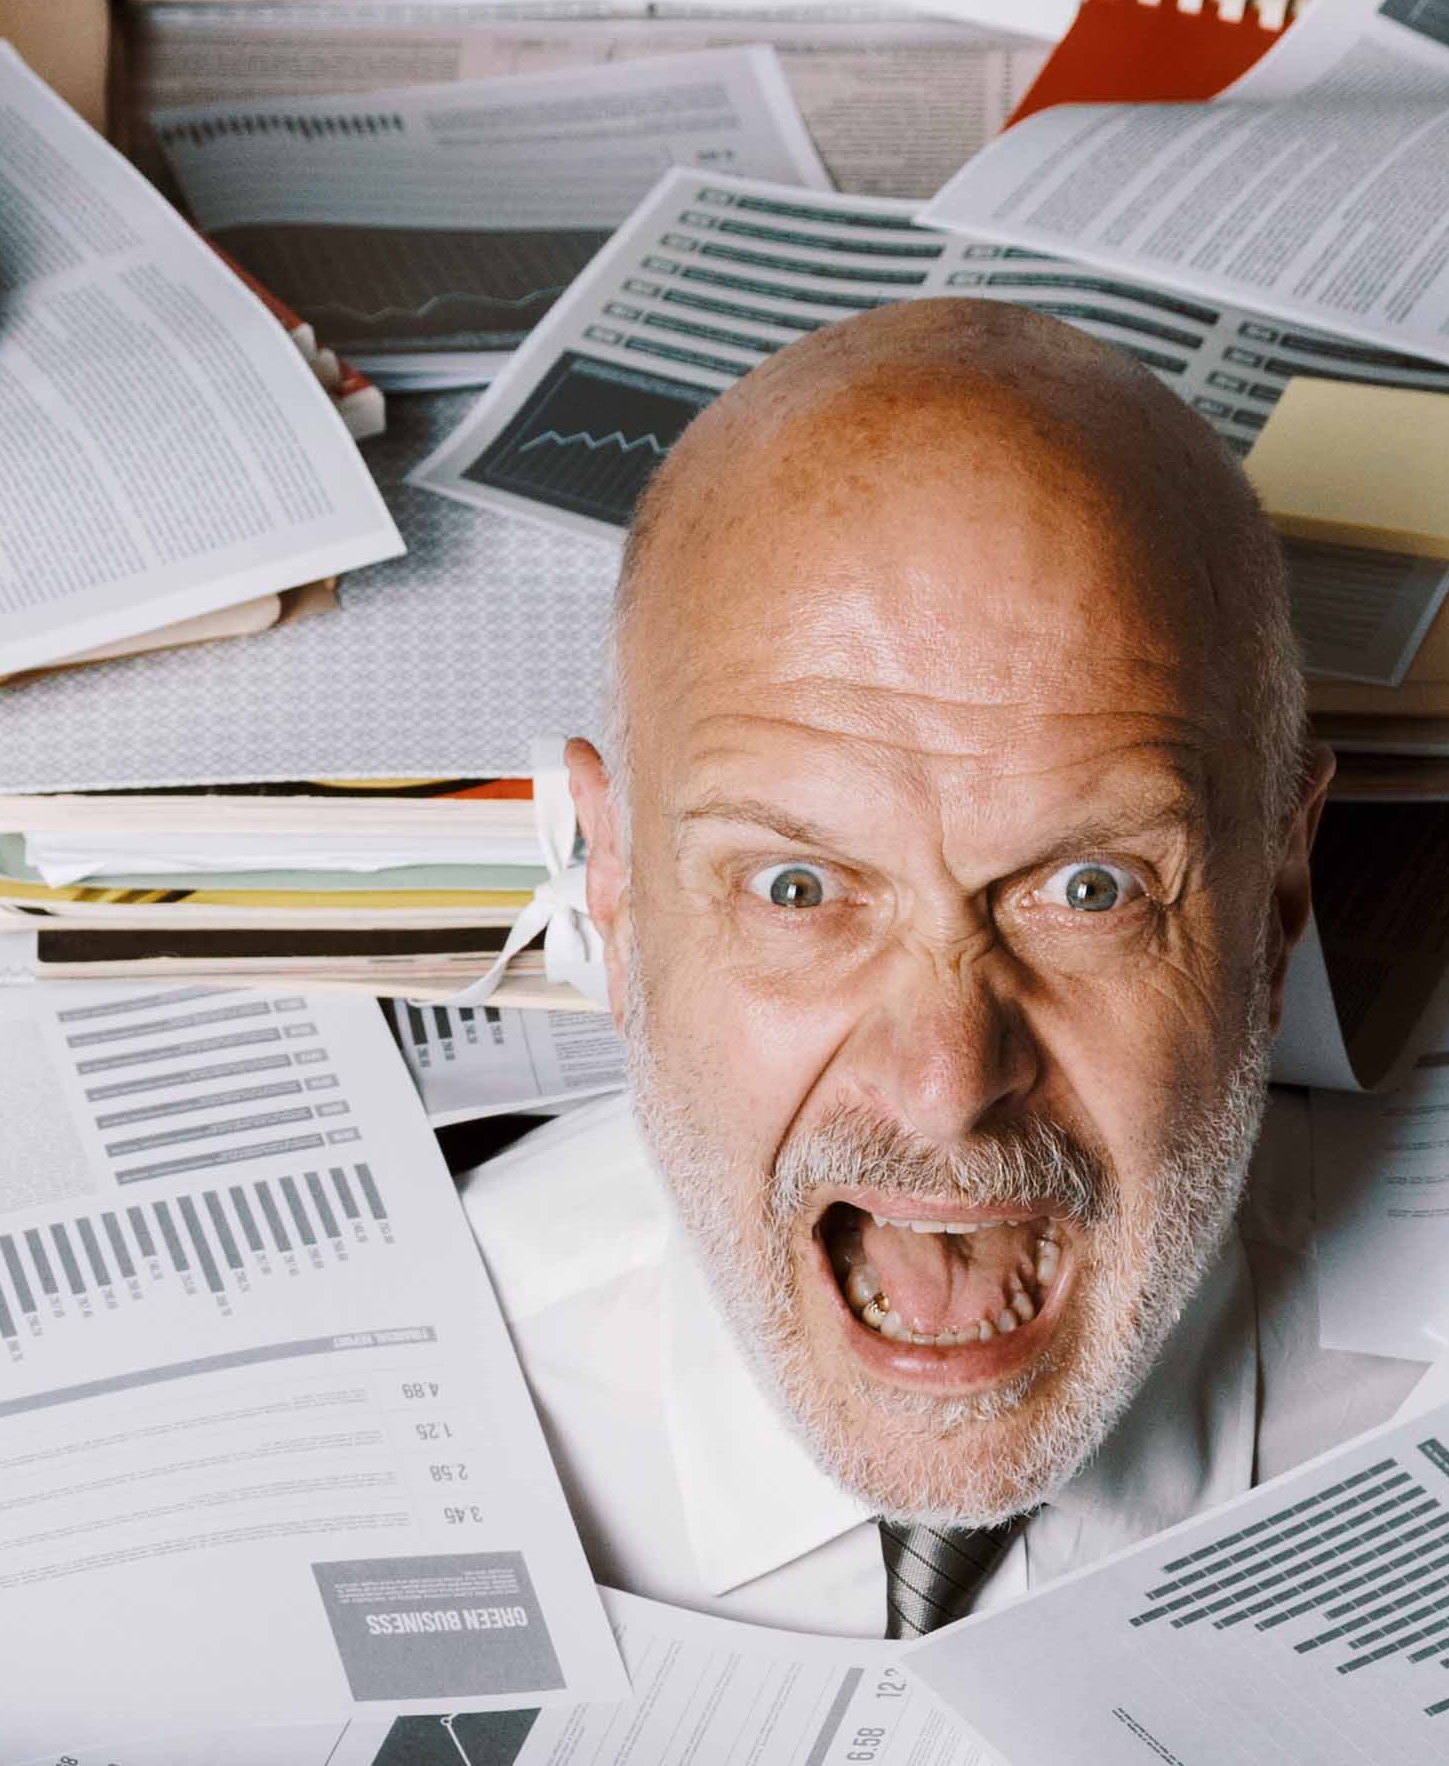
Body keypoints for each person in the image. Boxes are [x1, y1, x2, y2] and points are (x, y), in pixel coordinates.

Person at [463, 300, 1394, 1634]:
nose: (947, 1081)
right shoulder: (389, 1393)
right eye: (798, 888)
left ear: (1277, 904)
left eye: (1091, 890)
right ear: (612, 892)